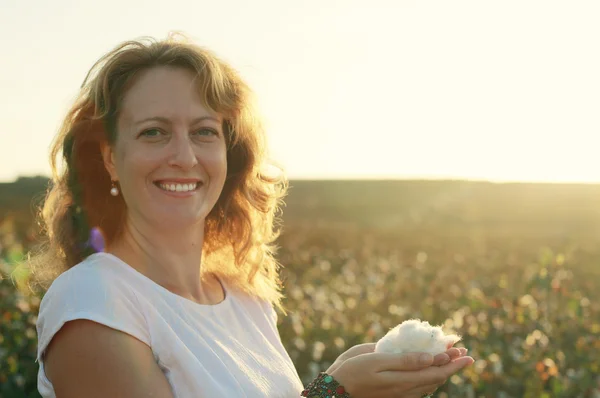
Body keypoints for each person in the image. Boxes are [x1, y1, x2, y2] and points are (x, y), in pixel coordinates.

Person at [29, 33, 474, 397]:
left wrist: (344, 380)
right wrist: (334, 393)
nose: (184, 156)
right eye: (154, 132)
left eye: (204, 131)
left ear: (228, 152)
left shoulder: (244, 299)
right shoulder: (91, 303)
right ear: (110, 158)